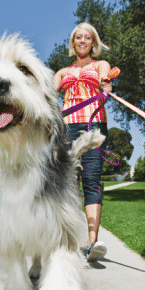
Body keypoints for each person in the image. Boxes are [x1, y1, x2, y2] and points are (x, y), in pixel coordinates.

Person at [53, 22, 112, 262]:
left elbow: (106, 84)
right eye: (78, 37)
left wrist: (106, 87)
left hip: (93, 126)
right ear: (73, 42)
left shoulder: (100, 65)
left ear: (93, 43)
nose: (82, 41)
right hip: (66, 128)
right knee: (66, 182)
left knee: (91, 180)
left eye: (87, 38)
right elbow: (47, 93)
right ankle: (63, 240)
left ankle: (93, 242)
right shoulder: (61, 73)